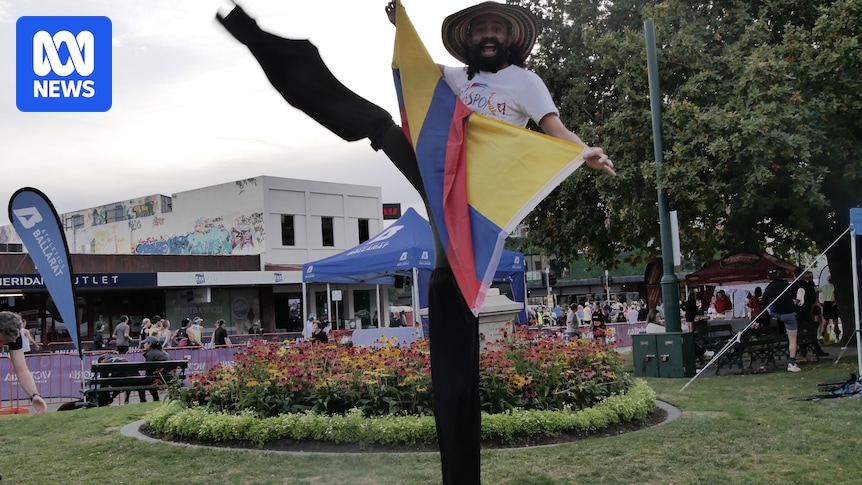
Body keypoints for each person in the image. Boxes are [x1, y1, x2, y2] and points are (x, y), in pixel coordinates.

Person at [216, 2, 614, 482]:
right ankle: (268, 46)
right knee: (377, 122)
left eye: (497, 28)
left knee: (454, 283)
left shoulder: (526, 83)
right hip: (438, 174)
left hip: (477, 195)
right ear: (469, 39)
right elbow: (417, 69)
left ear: (510, 38)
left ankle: (460, 465)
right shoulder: (453, 77)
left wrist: (584, 152)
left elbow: (555, 131)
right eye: (481, 29)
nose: (489, 35)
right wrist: (400, 28)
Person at [0, 312, 47, 415]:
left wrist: (34, 395)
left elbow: (21, 369)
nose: (1, 345)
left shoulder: (15, 336)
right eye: (0, 340)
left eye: (5, 343)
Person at [757, 269, 802, 372]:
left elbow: (763, 305)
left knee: (773, 309)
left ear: (768, 277)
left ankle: (796, 301)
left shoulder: (768, 288)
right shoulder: (785, 283)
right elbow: (790, 295)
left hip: (776, 314)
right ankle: (791, 363)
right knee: (792, 340)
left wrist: (757, 321)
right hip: (789, 314)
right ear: (778, 275)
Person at [792, 269, 829, 357]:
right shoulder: (808, 285)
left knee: (799, 331)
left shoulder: (792, 286)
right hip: (807, 311)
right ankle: (816, 348)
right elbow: (813, 300)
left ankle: (802, 349)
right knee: (811, 330)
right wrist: (811, 311)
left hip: (797, 312)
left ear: (794, 275)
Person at [141, 336, 171, 402]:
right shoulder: (165, 353)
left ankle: (145, 400)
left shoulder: (150, 354)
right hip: (169, 379)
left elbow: (148, 370)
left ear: (150, 344)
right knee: (150, 379)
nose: (144, 345)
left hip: (157, 380)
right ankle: (171, 397)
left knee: (145, 381)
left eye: (145, 343)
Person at [818, 277, 840, 341]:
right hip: (832, 303)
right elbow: (834, 294)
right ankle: (837, 337)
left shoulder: (824, 287)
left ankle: (822, 335)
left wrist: (818, 301)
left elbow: (817, 291)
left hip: (826, 303)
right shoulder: (834, 287)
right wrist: (835, 302)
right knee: (835, 321)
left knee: (825, 321)